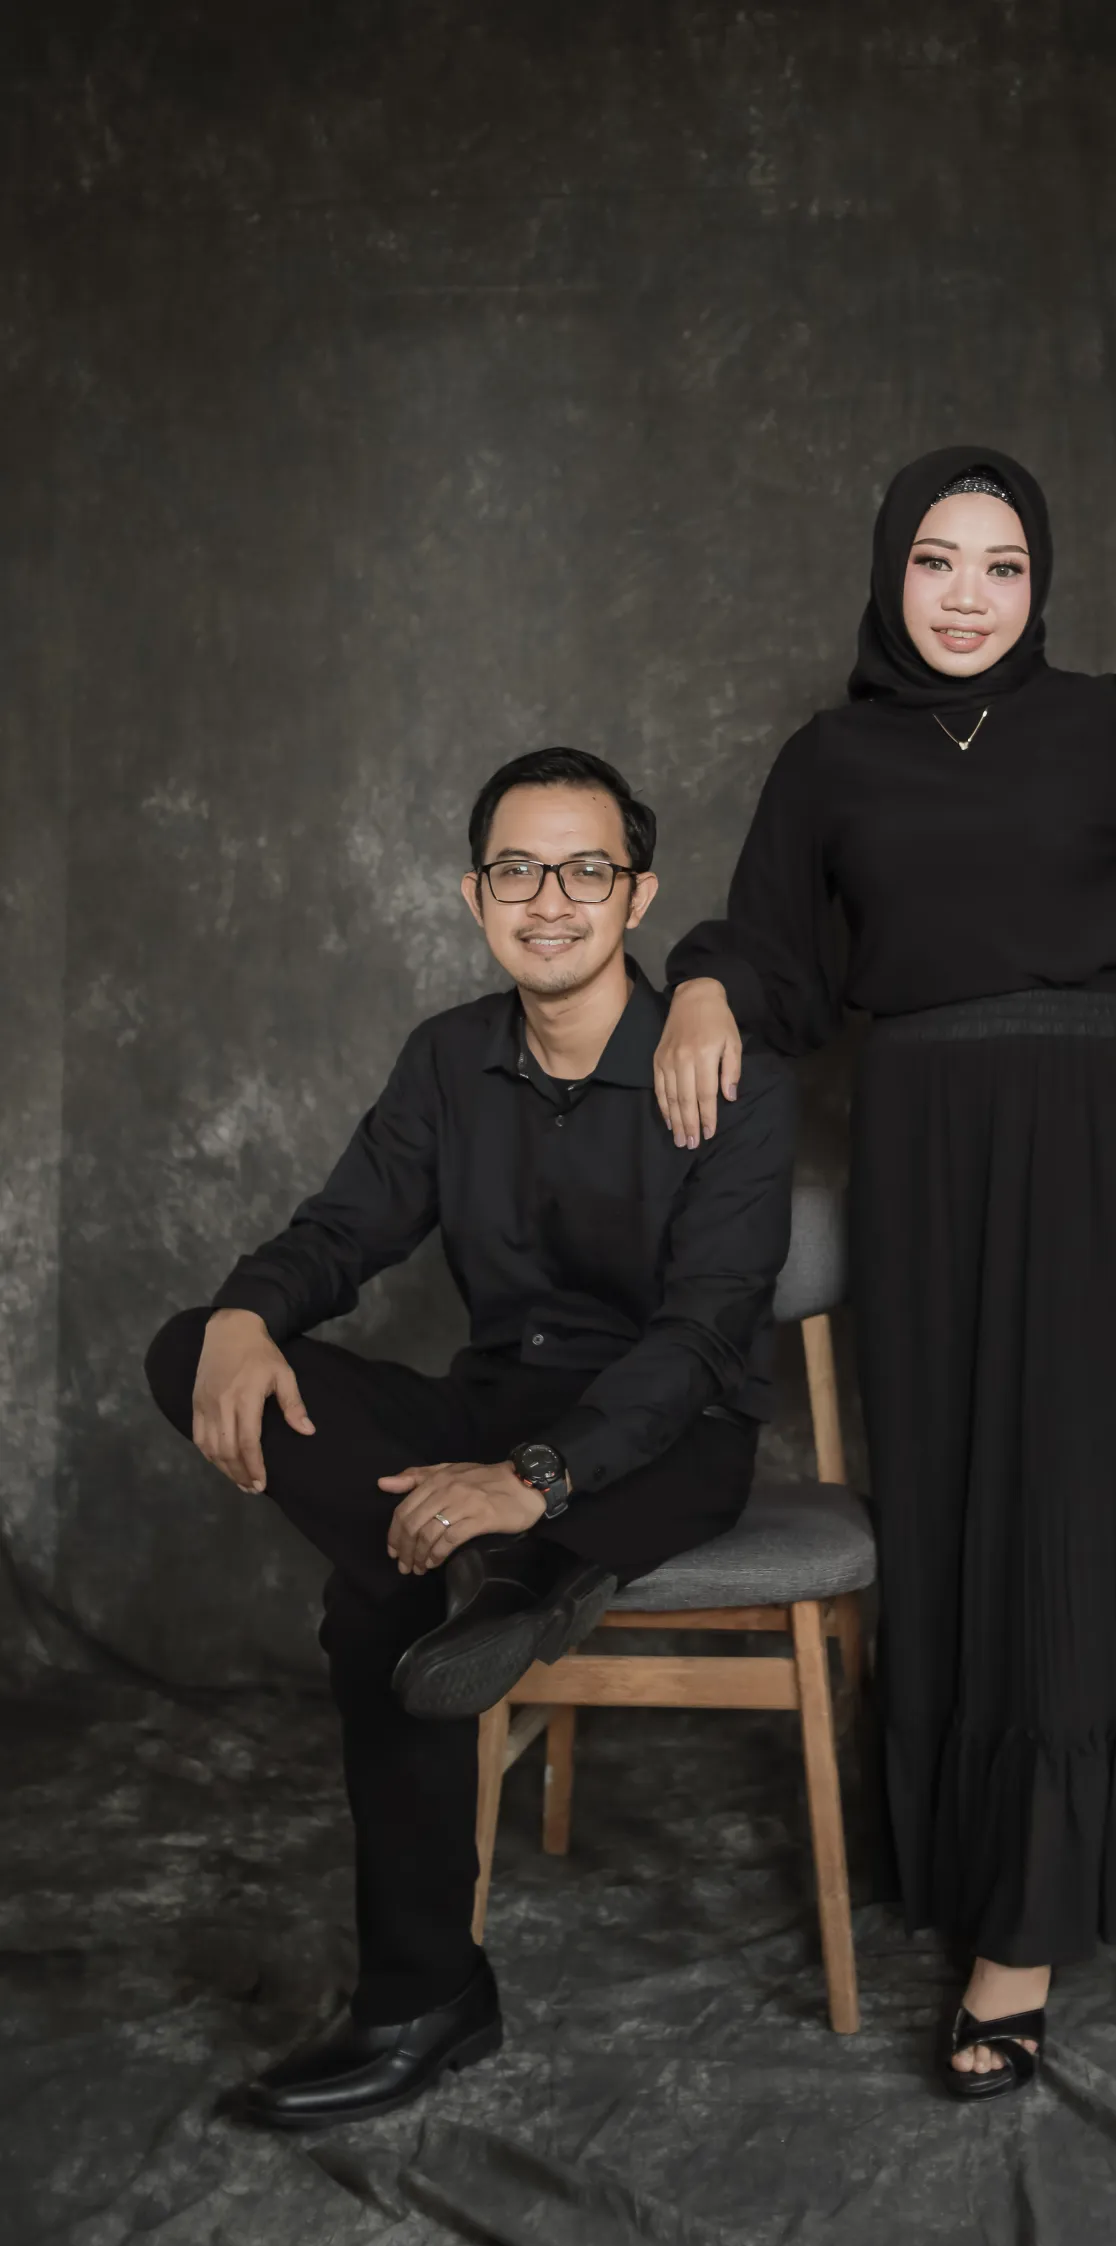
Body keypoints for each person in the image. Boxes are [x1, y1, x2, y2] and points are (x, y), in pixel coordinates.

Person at [653, 447, 1116, 2100]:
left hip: (1093, 1138)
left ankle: (1020, 1932)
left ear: (1039, 585)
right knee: (959, 1501)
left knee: (1073, 1499)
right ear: (888, 571)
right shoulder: (829, 760)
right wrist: (699, 987)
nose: (966, 595)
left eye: (1002, 565)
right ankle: (979, 1854)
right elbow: (774, 956)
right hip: (921, 1150)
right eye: (936, 560)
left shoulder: (1104, 723)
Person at [144, 746, 796, 2128]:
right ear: (472, 893)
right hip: (491, 1400)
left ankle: (423, 1991)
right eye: (516, 870)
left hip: (667, 1429)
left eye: (585, 870)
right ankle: (497, 1583)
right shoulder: (447, 1057)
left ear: (638, 896)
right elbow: (344, 1230)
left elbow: (702, 1337)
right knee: (191, 1346)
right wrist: (249, 1313)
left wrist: (535, 1481)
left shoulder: (726, 1068)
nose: (548, 900)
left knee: (380, 1605)